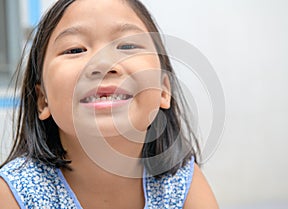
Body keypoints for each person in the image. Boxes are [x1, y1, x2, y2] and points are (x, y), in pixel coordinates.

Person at [0, 0, 219, 208]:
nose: (103, 64)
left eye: (127, 45)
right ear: (42, 100)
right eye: (75, 50)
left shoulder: (180, 184)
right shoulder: (14, 195)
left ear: (164, 90)